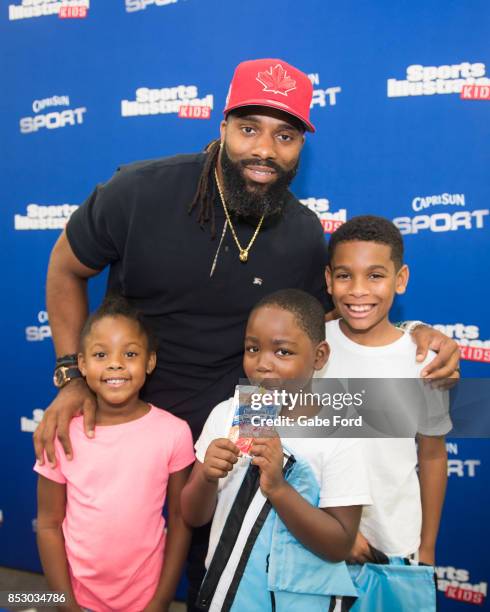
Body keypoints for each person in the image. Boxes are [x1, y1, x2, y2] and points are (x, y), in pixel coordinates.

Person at [34, 58, 459, 607]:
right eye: (249, 128)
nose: (265, 150)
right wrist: (72, 375)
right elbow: (65, 267)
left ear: (302, 145)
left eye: (285, 135)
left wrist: (415, 333)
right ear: (222, 126)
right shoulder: (139, 191)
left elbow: (320, 322)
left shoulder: (305, 233)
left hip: (237, 435)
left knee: (223, 579)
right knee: (113, 573)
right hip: (131, 423)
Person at [181, 289, 372, 611]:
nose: (263, 364)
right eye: (253, 348)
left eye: (282, 352)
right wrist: (207, 479)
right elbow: (192, 514)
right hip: (225, 596)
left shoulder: (339, 434)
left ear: (319, 356)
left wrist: (279, 489)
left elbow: (340, 544)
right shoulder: (231, 413)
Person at [34, 296, 195, 612]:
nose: (115, 363)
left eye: (130, 353)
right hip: (77, 601)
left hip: (145, 599)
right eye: (100, 354)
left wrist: (161, 600)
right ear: (81, 364)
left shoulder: (174, 432)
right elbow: (49, 524)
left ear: (150, 362)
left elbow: (179, 520)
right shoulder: (63, 433)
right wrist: (65, 604)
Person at [320, 215, 450, 570]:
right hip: (315, 536)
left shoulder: (425, 360)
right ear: (329, 280)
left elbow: (433, 455)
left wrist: (427, 548)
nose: (359, 290)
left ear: (400, 279)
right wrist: (334, 530)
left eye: (375, 276)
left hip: (395, 544)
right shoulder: (311, 347)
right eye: (345, 275)